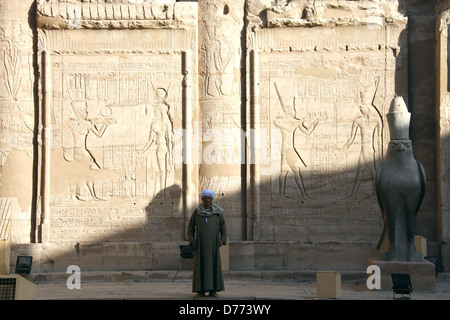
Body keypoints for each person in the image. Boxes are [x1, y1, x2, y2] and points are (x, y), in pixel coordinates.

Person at [187, 189, 227, 297]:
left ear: (212, 199)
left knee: (213, 266)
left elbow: (223, 228)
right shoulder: (196, 213)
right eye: (205, 198)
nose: (207, 200)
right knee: (200, 267)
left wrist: (221, 240)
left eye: (209, 198)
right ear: (202, 199)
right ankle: (200, 291)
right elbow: (190, 229)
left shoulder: (218, 213)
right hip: (200, 246)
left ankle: (213, 291)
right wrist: (192, 241)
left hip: (213, 246)